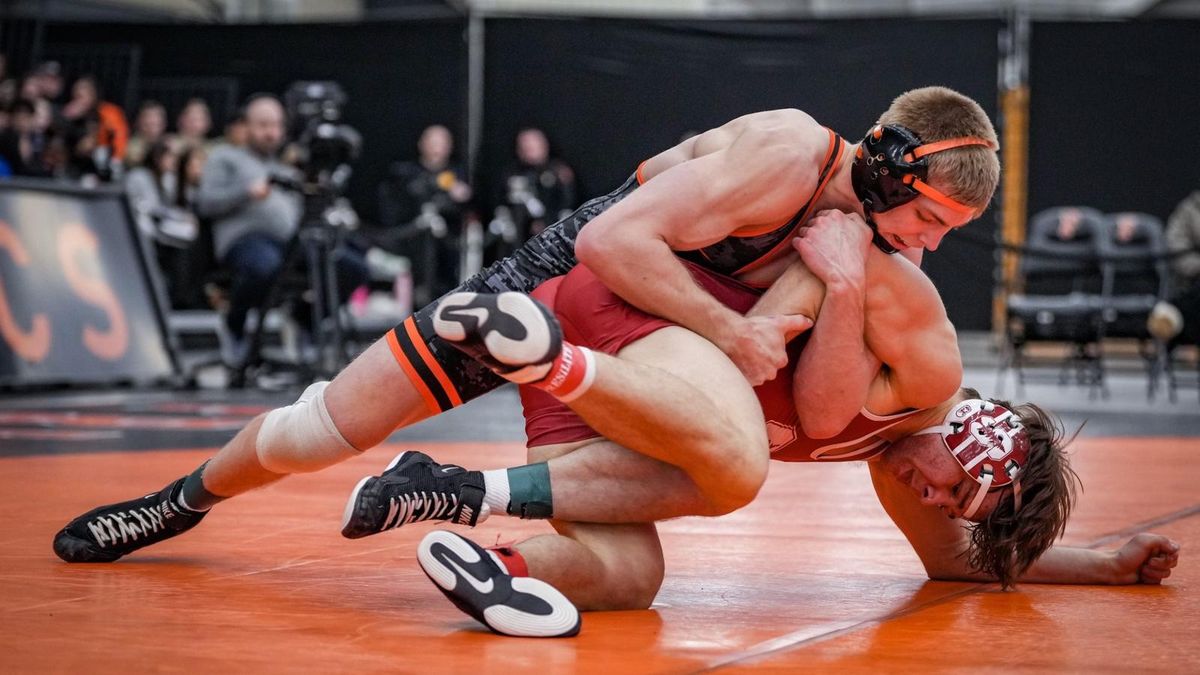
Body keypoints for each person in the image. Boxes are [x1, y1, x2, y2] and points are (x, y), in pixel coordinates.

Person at [53, 86, 1001, 564]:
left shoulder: (851, 242)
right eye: (928, 217)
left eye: (945, 233)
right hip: (573, 279)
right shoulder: (787, 156)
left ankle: (469, 502)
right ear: (886, 168)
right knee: (322, 428)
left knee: (636, 557)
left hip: (640, 342)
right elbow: (612, 242)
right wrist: (730, 329)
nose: (928, 244)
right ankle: (181, 500)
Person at [342, 248, 1180, 637]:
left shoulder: (906, 455)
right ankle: (528, 388)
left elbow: (955, 560)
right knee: (728, 467)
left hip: (628, 386)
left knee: (634, 577)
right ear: (972, 430)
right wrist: (746, 324)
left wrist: (1102, 565)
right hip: (640, 317)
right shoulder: (912, 360)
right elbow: (840, 249)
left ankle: (492, 552)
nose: (931, 501)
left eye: (948, 504)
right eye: (951, 486)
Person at [377, 124, 475, 303]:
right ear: (422, 144)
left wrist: (458, 196)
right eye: (432, 142)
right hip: (412, 247)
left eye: (442, 143)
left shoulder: (457, 174)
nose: (437, 148)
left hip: (447, 248)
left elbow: (465, 206)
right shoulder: (407, 173)